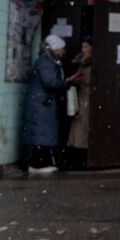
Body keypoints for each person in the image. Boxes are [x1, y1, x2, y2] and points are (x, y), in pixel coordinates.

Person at [22, 34, 73, 174]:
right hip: (42, 104)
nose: (64, 51)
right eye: (62, 48)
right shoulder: (46, 62)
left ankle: (39, 162)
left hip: (43, 103)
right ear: (56, 48)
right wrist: (66, 83)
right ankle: (38, 164)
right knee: (41, 133)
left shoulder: (49, 61)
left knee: (42, 133)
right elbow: (50, 82)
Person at [66, 39, 93, 169]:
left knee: (82, 123)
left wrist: (79, 79)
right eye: (82, 46)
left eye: (86, 46)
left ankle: (81, 153)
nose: (83, 50)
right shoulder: (79, 61)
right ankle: (76, 153)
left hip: (86, 96)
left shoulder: (90, 63)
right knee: (78, 123)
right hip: (80, 96)